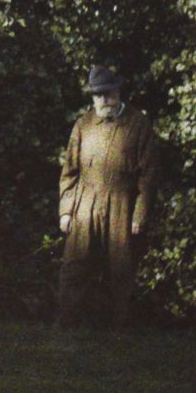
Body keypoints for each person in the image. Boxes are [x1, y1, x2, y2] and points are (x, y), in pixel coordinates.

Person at [56, 64, 159, 328]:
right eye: (98, 95)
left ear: (118, 92)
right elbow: (69, 171)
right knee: (75, 265)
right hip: (84, 203)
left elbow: (148, 176)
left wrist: (139, 214)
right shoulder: (83, 125)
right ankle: (69, 325)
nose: (104, 100)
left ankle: (118, 329)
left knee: (121, 267)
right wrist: (66, 211)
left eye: (108, 93)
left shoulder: (138, 124)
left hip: (122, 204)